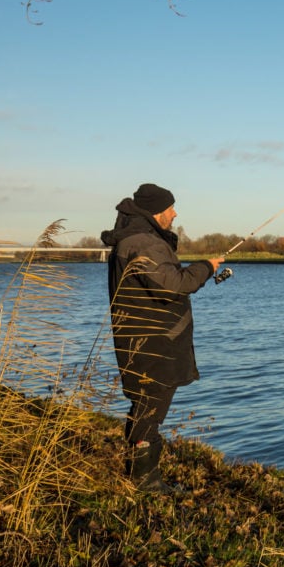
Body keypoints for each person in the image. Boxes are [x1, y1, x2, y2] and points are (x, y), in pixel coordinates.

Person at [100, 183, 224, 493]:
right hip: (154, 344)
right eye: (170, 208)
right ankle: (146, 481)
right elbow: (173, 284)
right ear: (157, 211)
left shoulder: (137, 240)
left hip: (144, 339)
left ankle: (141, 473)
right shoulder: (145, 243)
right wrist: (205, 268)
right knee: (151, 407)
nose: (175, 213)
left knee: (145, 405)